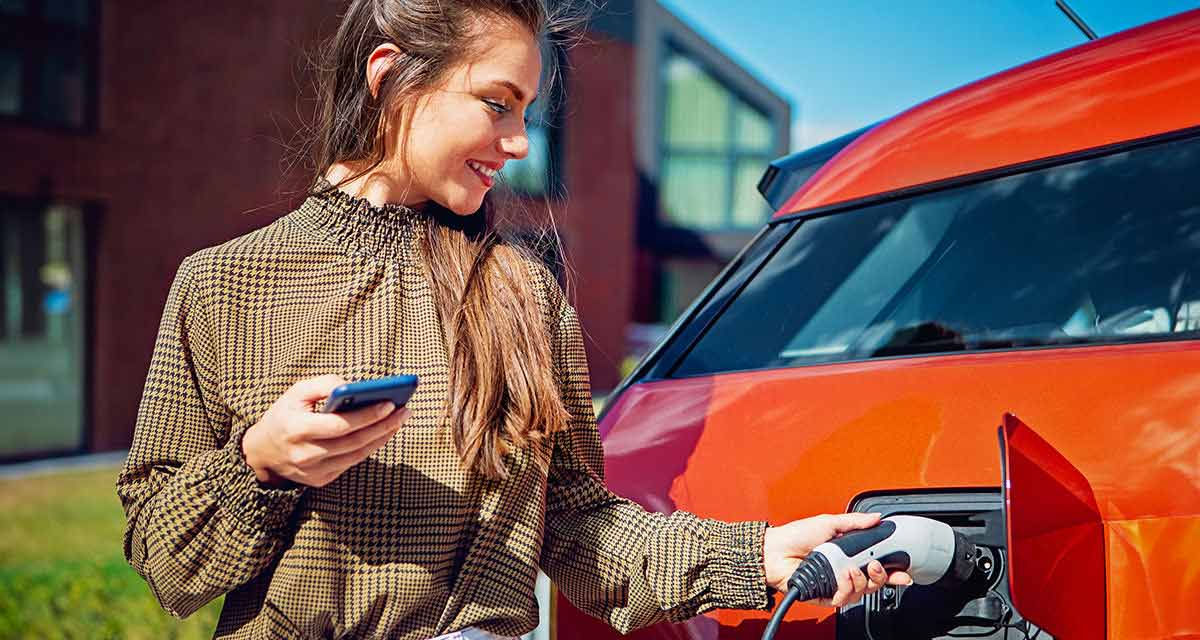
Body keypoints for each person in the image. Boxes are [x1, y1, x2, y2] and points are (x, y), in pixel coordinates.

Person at [116, 1, 911, 638]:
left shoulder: (522, 293)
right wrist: (262, 462)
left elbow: (580, 528)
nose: (522, 142)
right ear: (391, 77)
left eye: (527, 110)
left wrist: (759, 555)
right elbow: (165, 561)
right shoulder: (222, 285)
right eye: (497, 104)